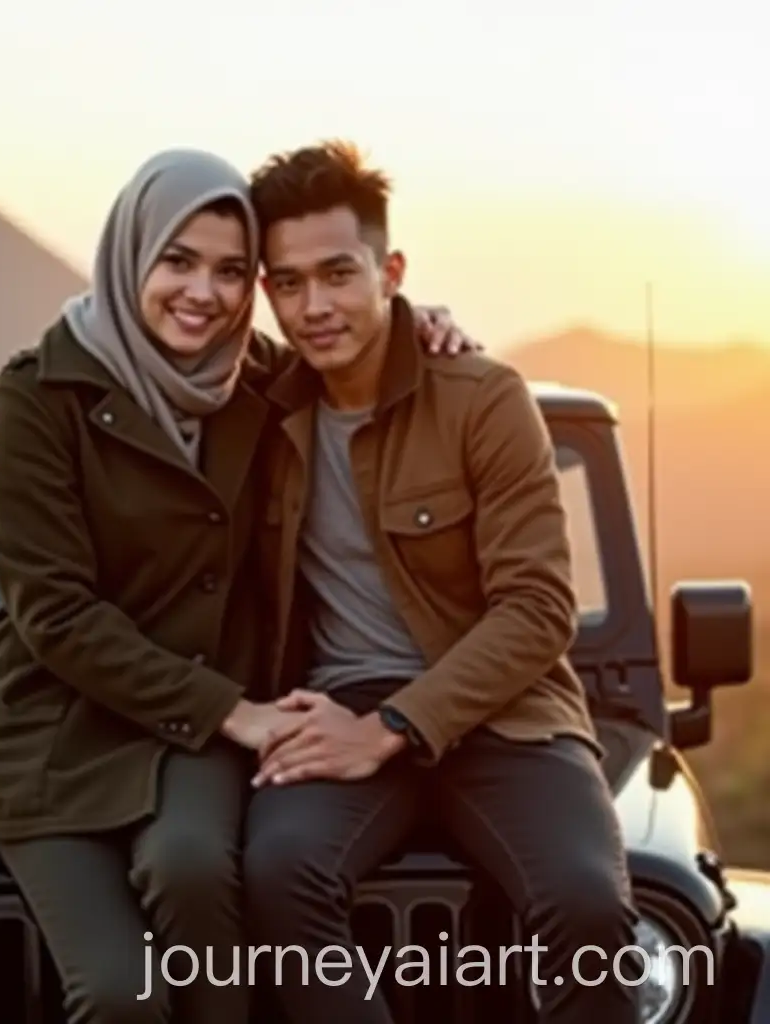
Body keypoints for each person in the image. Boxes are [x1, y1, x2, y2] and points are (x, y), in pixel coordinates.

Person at [0, 146, 477, 1024]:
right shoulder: (39, 396)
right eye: (178, 261)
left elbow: (351, 352)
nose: (204, 293)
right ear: (130, 255)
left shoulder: (255, 379)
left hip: (193, 734)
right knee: (118, 996)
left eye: (232, 272)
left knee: (194, 871)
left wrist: (413, 325)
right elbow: (56, 614)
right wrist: (239, 714)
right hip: (54, 730)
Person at [242, 140, 641, 1024]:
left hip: (506, 712)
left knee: (587, 902)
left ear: (390, 272)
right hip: (338, 706)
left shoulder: (484, 399)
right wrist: (357, 725)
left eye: (339, 274)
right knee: (276, 877)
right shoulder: (258, 409)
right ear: (267, 292)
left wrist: (391, 728)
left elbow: (538, 610)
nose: (316, 307)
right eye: (290, 284)